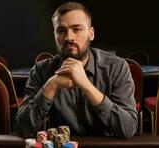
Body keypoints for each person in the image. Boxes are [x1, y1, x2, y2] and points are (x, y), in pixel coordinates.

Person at [15, 2, 138, 138]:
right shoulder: (41, 71)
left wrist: (86, 85)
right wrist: (51, 85)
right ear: (55, 35)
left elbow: (128, 128)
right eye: (61, 30)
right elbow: (22, 129)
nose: (69, 37)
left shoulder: (117, 67)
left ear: (91, 33)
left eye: (77, 29)